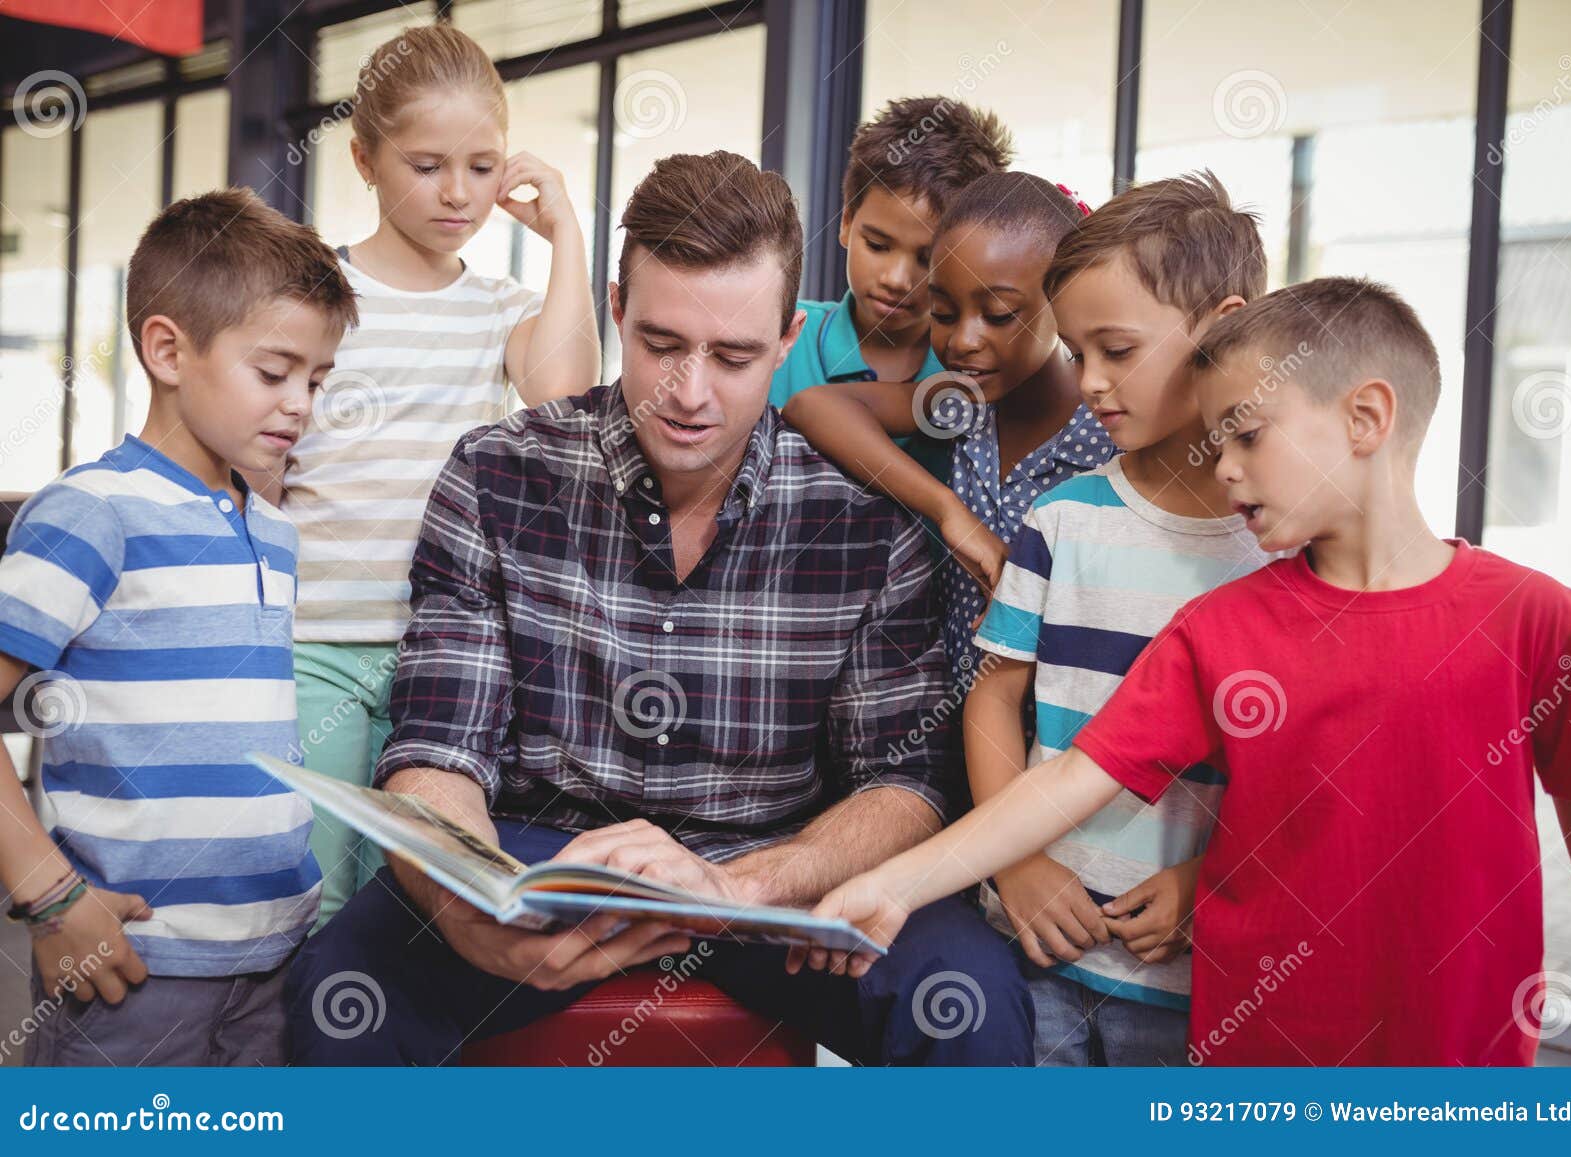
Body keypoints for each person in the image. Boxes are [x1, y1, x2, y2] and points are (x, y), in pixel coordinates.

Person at [287, 151, 1033, 1067]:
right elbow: (439, 748)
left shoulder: (866, 520)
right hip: (540, 851)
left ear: (790, 336)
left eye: (734, 356)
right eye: (663, 344)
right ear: (616, 312)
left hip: (773, 868)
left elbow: (907, 782)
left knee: (971, 995)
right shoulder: (497, 474)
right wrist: (467, 906)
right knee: (338, 989)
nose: (690, 394)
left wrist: (736, 881)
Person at [796, 277, 1571, 1067]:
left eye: (1247, 435)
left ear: (1366, 418)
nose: (1224, 467)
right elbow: (1074, 777)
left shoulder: (1538, 618)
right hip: (1254, 1063)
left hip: (1468, 1059)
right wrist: (898, 883)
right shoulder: (1220, 627)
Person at [0, 188, 356, 1065]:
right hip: (133, 965)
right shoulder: (91, 514)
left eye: (317, 379)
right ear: (167, 349)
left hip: (274, 960)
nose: (300, 403)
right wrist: (49, 896)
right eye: (275, 373)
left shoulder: (274, 527)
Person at [262, 23, 602, 924]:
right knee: (309, 899)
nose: (460, 193)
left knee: (406, 909)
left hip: (445, 663)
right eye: (426, 165)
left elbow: (564, 392)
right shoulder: (313, 295)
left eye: (484, 167)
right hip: (316, 651)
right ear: (366, 160)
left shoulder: (500, 308)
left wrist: (568, 226)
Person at [966, 172, 1275, 1065]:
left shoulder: (1279, 544)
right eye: (1077, 353)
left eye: (1118, 349)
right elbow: (993, 702)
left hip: (1194, 973)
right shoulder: (1061, 520)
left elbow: (1301, 767)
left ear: (1221, 324)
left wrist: (1208, 884)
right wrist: (1013, 861)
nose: (1092, 383)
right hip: (1038, 950)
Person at [783, 171, 1112, 692]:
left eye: (999, 315)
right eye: (943, 311)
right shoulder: (966, 402)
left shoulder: (1108, 427)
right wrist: (948, 510)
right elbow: (814, 406)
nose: (962, 340)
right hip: (950, 731)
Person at [766, 96, 1012, 412]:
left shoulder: (978, 368)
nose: (896, 280)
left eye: (928, 260)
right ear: (846, 221)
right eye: (878, 246)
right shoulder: (779, 333)